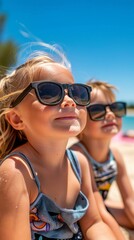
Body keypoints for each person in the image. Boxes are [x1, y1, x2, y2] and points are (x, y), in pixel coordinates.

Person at [0, 44, 118, 240]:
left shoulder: (79, 162)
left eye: (77, 93)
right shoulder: (16, 173)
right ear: (17, 119)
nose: (70, 100)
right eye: (48, 92)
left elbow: (94, 223)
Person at [70, 79, 134, 233]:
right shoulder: (78, 154)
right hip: (78, 214)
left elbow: (129, 199)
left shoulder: (116, 155)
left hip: (101, 206)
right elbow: (98, 214)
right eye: (97, 110)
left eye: (116, 108)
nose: (110, 114)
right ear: (80, 122)